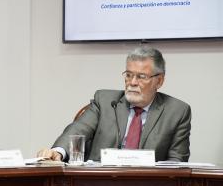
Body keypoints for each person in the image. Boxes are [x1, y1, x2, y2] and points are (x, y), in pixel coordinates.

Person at [37, 46, 191, 162]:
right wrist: (58, 151)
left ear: (159, 81)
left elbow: (177, 162)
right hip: (98, 184)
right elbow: (78, 129)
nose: (132, 82)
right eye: (129, 75)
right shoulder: (105, 101)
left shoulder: (177, 112)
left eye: (141, 76)